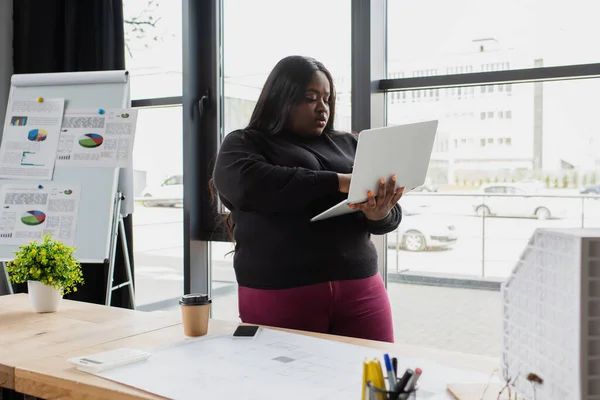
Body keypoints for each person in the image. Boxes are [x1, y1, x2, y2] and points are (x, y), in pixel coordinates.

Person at [211, 55, 404, 343]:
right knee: (287, 385)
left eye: (326, 98)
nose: (322, 107)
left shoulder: (350, 144)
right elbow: (248, 185)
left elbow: (389, 215)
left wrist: (379, 213)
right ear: (280, 98)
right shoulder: (245, 142)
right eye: (310, 97)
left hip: (361, 287)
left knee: (372, 381)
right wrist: (339, 182)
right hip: (279, 290)